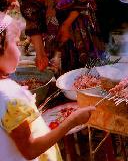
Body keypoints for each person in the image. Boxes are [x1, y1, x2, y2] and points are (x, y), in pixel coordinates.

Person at [0, 12, 95, 161]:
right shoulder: (9, 94)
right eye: (16, 44)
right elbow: (30, 150)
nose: (19, 52)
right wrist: (72, 121)